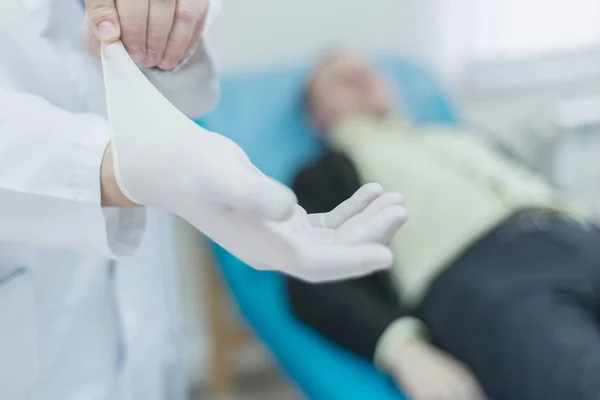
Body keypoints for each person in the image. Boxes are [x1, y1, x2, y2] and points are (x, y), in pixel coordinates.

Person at [0, 1, 406, 398]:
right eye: (341, 80)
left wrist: (168, 35)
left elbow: (179, 88)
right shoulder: (325, 170)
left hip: (145, 331)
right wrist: (115, 168)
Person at [285, 51, 600, 400]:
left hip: (577, 236)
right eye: (341, 80)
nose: (362, 80)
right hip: (487, 278)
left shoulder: (460, 136)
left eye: (368, 72)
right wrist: (404, 350)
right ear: (315, 115)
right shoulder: (323, 172)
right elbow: (313, 277)